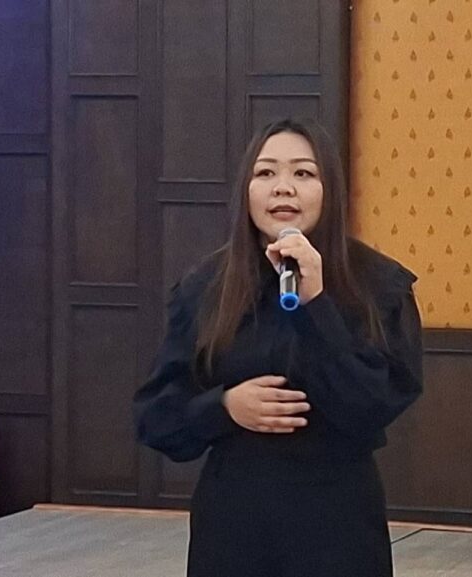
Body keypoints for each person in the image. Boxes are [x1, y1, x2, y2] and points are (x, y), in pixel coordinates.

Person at [132, 118, 424, 577]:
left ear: (329, 190)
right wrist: (225, 407)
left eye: (303, 173)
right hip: (233, 529)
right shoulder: (205, 287)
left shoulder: (379, 285)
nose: (283, 187)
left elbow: (373, 405)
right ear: (246, 191)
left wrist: (317, 304)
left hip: (337, 528)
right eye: (266, 172)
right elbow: (155, 416)